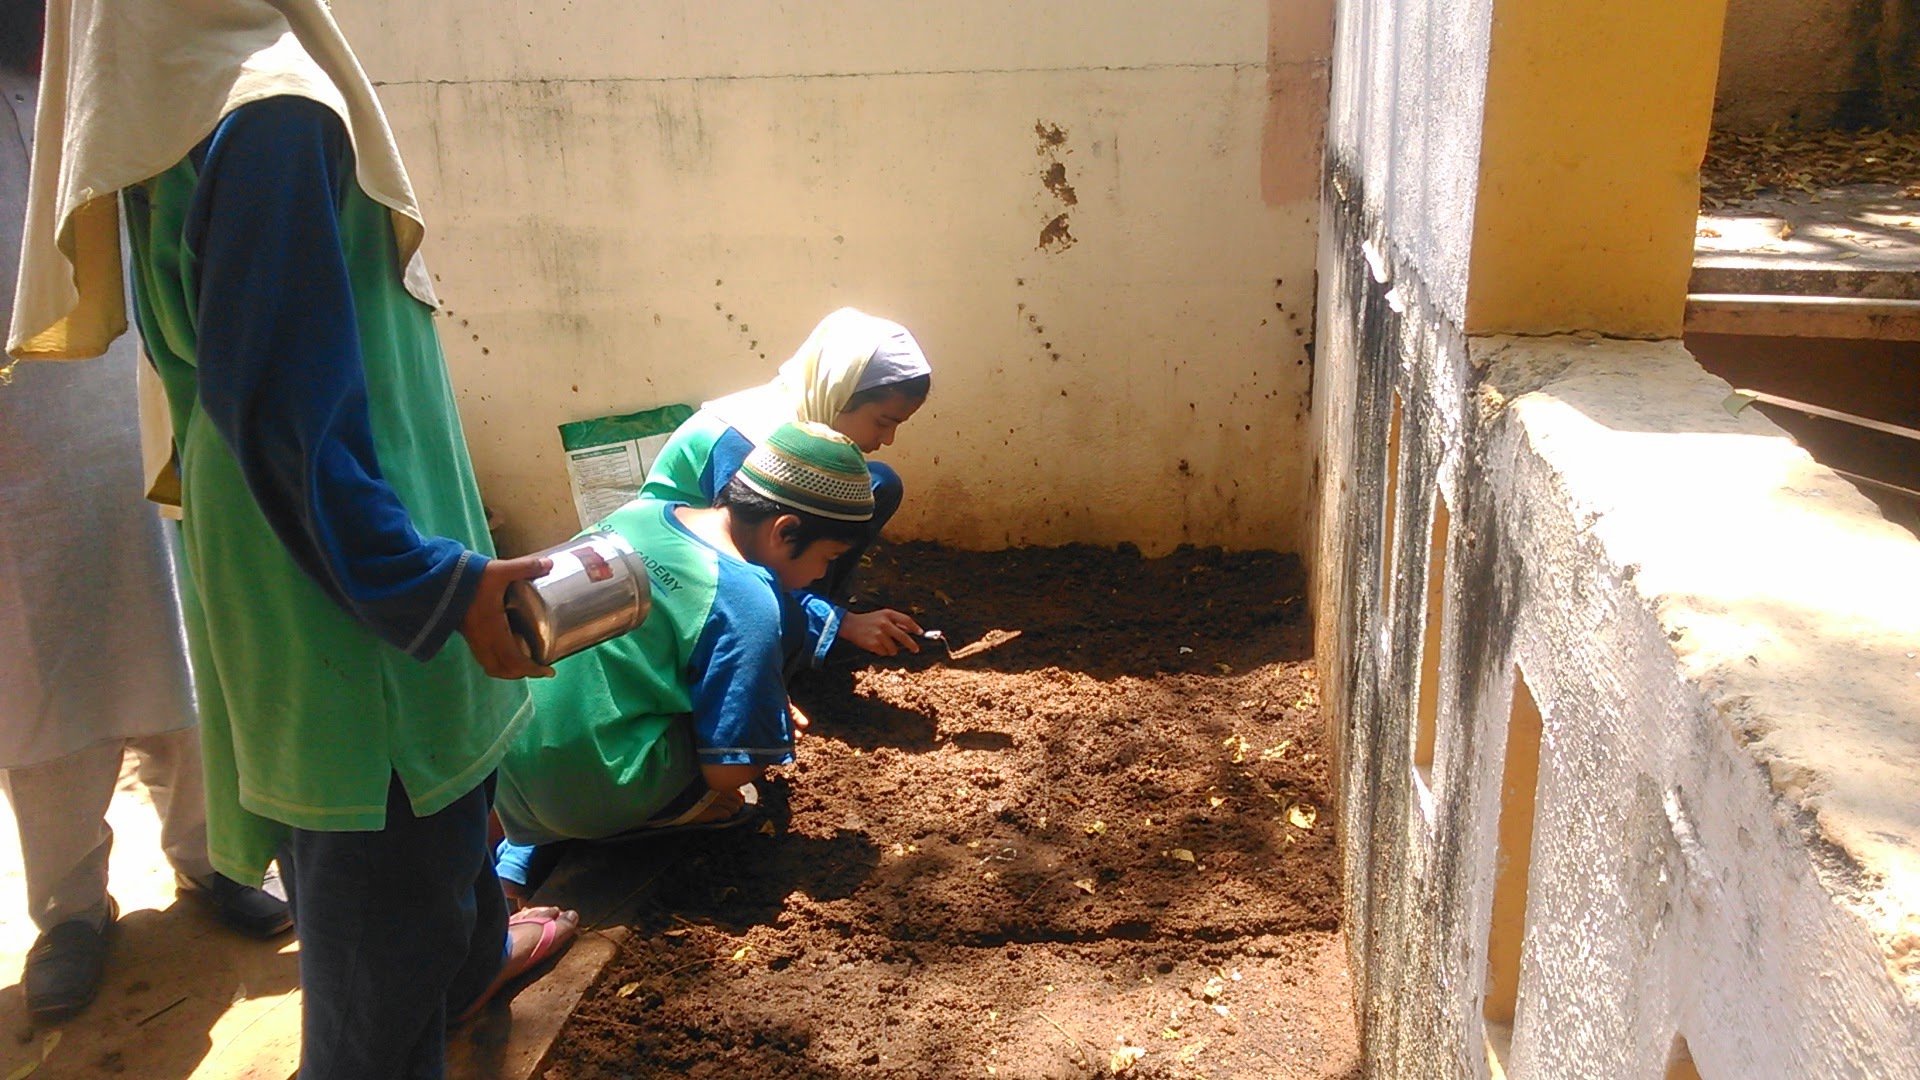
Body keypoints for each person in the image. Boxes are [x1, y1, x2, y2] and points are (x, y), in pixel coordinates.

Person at [7, 2, 573, 1074]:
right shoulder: (267, 113)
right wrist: (437, 590)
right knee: (378, 936)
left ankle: (471, 962)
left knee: (405, 875)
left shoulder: (180, 89)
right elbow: (287, 423)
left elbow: (259, 397)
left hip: (298, 579)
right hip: (362, 611)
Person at [0, 2, 289, 1024]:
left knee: (180, 634)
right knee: (37, 680)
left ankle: (216, 858)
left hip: (144, 409)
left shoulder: (118, 82)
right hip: (15, 464)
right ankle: (70, 910)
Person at [493, 423, 875, 896]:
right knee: (738, 785)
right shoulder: (748, 600)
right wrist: (763, 710)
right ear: (785, 531)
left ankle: (519, 858)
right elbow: (729, 770)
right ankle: (657, 814)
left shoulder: (639, 514)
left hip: (505, 759)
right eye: (828, 557)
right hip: (592, 796)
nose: (823, 574)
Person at [643, 307, 932, 667]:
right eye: (883, 422)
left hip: (747, 557)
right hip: (678, 582)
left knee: (876, 485)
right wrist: (840, 624)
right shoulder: (752, 445)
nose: (886, 438)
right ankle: (800, 638)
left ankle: (814, 615)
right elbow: (741, 568)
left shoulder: (798, 418)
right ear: (839, 393)